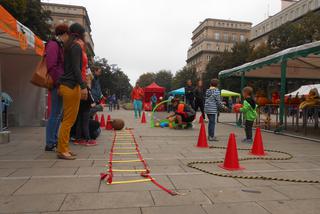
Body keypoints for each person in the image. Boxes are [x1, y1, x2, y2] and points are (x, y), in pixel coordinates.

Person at [57, 23, 88, 160]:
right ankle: (62, 150)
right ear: (79, 34)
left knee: (69, 120)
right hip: (70, 86)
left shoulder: (70, 45)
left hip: (70, 85)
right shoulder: (75, 46)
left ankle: (64, 148)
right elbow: (76, 69)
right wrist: (83, 85)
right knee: (68, 121)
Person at [45, 24, 69, 152]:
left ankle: (53, 140)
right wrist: (60, 82)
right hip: (56, 83)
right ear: (64, 34)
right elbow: (52, 66)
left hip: (59, 82)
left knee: (58, 113)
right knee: (55, 113)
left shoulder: (58, 45)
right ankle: (50, 142)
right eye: (67, 36)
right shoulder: (53, 45)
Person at [74, 73, 97, 146]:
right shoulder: (86, 89)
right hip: (86, 109)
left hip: (80, 108)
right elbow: (91, 101)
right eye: (89, 80)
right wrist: (94, 104)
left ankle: (77, 139)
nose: (90, 82)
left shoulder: (79, 87)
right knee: (85, 124)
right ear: (87, 80)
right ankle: (87, 139)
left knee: (79, 123)